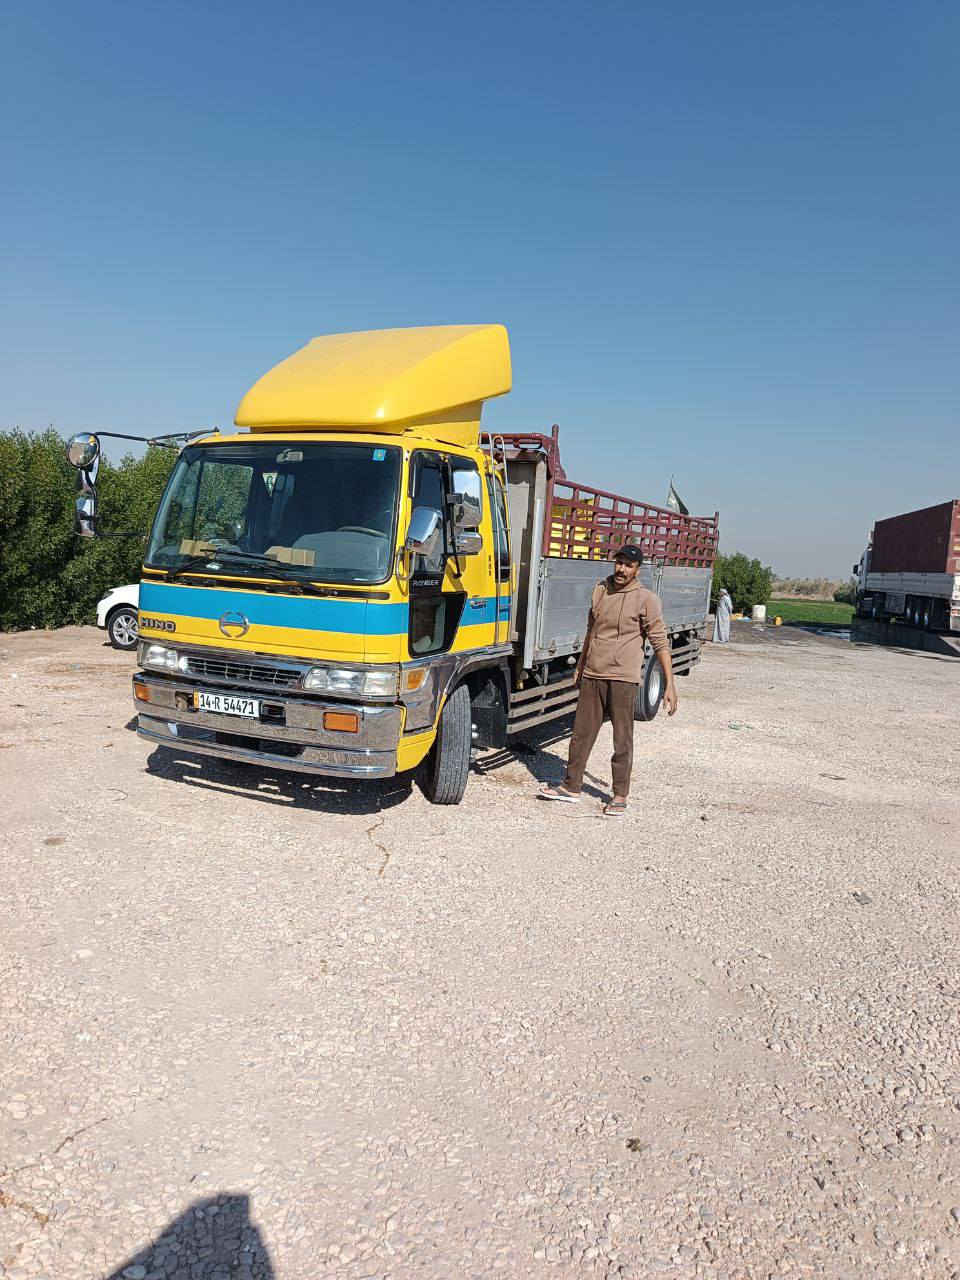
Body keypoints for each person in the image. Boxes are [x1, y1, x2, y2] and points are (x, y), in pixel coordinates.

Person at [539, 545, 678, 816]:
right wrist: (581, 666)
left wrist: (670, 684)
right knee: (581, 735)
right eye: (619, 563)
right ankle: (571, 786)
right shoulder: (601, 590)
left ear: (638, 569)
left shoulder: (646, 599)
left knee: (622, 739)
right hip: (593, 673)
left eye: (628, 565)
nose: (621, 569)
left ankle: (620, 794)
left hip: (623, 678)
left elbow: (660, 643)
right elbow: (590, 631)